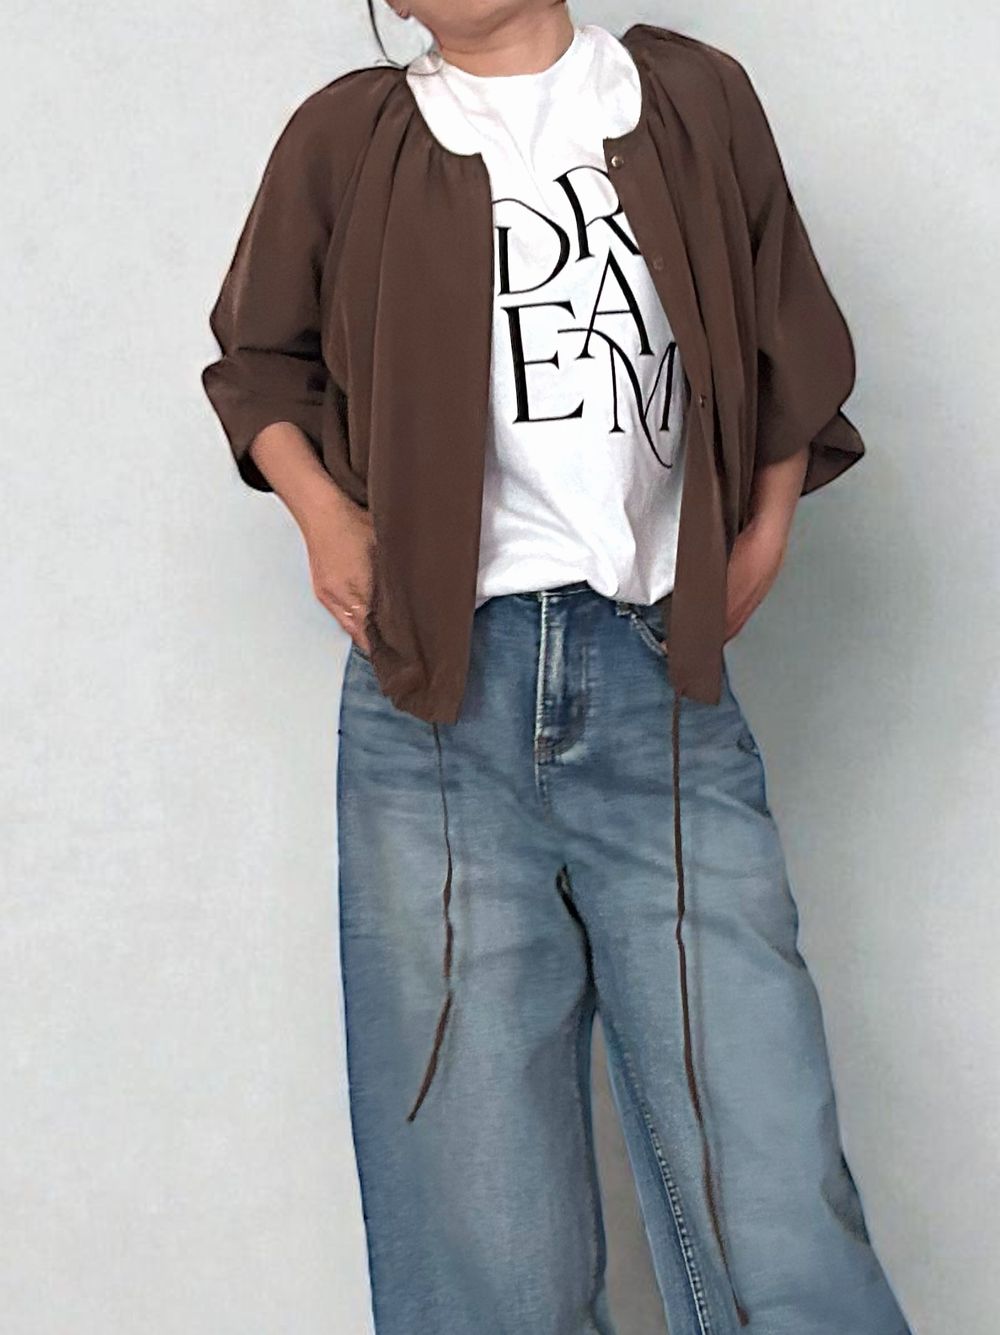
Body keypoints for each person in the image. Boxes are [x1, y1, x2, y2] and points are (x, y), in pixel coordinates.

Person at [201, 3, 913, 1331]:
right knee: (480, 1200)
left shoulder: (689, 98)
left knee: (769, 1165)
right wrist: (325, 519)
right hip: (435, 705)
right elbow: (257, 363)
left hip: (660, 688)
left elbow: (790, 335)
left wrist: (764, 529)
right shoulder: (350, 135)